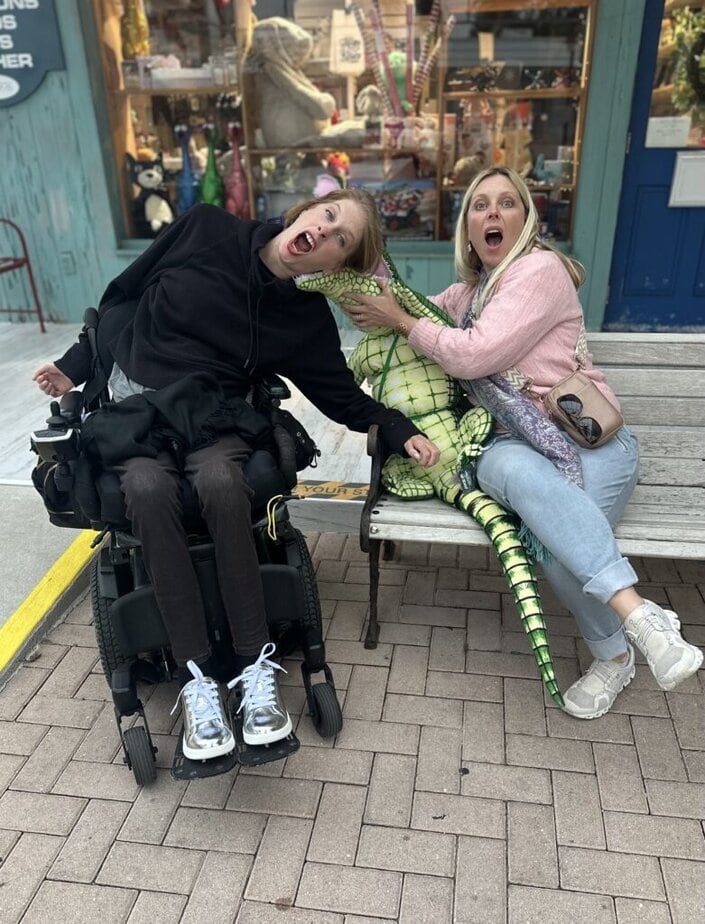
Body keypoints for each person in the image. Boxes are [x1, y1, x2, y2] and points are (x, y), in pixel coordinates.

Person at [33, 189, 439, 759]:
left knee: (223, 485)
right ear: (302, 213)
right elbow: (122, 297)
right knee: (147, 490)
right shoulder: (205, 229)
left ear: (335, 268)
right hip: (134, 411)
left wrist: (396, 427)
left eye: (341, 239)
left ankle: (255, 669)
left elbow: (341, 395)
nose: (324, 233)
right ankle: (197, 680)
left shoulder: (302, 319)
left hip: (214, 417)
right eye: (327, 217)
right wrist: (74, 367)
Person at [339, 165, 703, 719]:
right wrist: (356, 251)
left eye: (507, 203)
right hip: (516, 447)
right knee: (505, 472)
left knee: (557, 548)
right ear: (467, 229)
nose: (492, 213)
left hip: (594, 445)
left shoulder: (539, 271)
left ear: (525, 219)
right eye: (480, 205)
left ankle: (615, 654)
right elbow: (403, 304)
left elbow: (473, 353)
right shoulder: (469, 292)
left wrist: (403, 320)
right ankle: (638, 621)